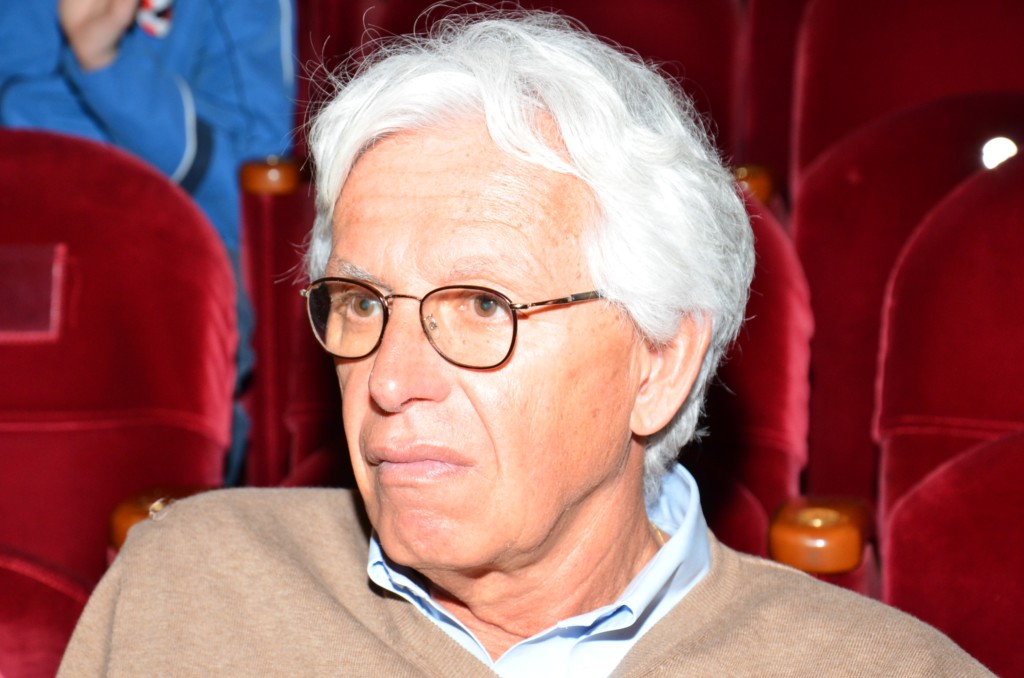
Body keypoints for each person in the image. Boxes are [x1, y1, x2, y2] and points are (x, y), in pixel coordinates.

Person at [57, 10, 992, 676]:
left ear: (658, 363)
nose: (390, 381)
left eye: (480, 305)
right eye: (363, 302)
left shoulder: (883, 670)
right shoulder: (184, 592)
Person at [0, 0, 297, 483]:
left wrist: (107, 63)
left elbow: (248, 199)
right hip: (26, 230)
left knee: (155, 360)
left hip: (177, 244)